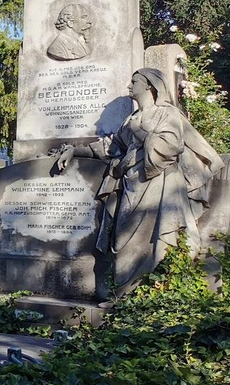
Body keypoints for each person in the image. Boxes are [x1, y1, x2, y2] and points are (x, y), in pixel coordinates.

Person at [57, 68, 224, 293]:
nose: (129, 85)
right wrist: (74, 151)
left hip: (160, 183)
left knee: (159, 241)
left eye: (134, 81)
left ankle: (153, 293)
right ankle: (125, 294)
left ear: (149, 86)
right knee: (122, 240)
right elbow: (110, 148)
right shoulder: (131, 119)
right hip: (132, 183)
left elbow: (170, 147)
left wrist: (141, 133)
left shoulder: (167, 114)